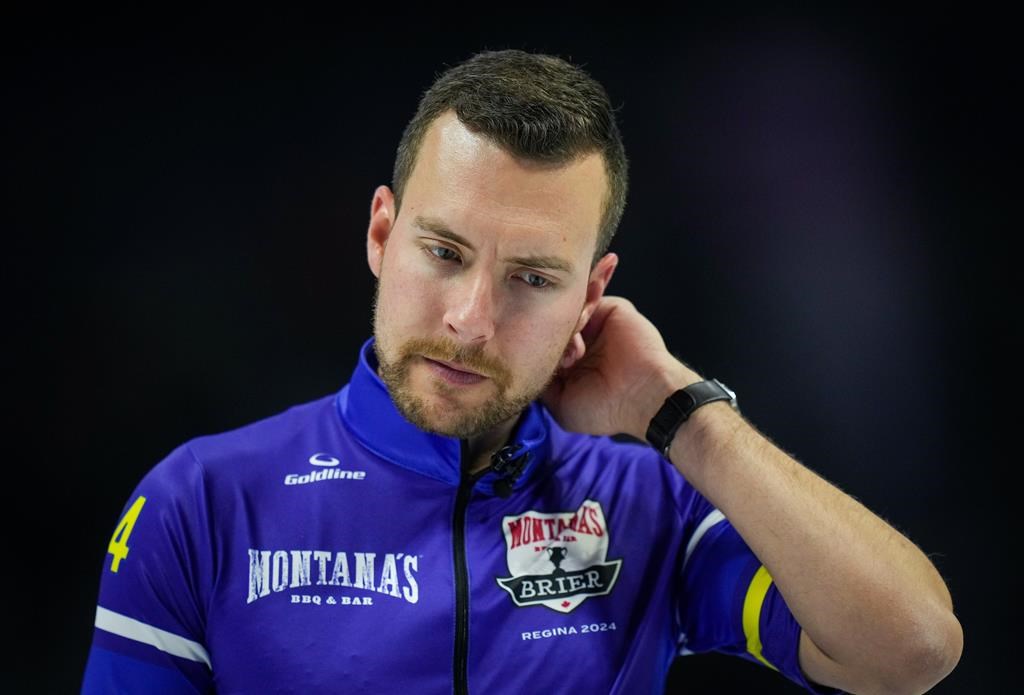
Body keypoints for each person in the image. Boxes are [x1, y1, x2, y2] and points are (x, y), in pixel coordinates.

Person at [81, 49, 962, 694]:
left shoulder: (645, 505)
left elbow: (912, 648)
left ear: (593, 295)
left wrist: (684, 414)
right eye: (444, 251)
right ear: (382, 234)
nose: (470, 319)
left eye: (533, 279)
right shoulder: (202, 500)